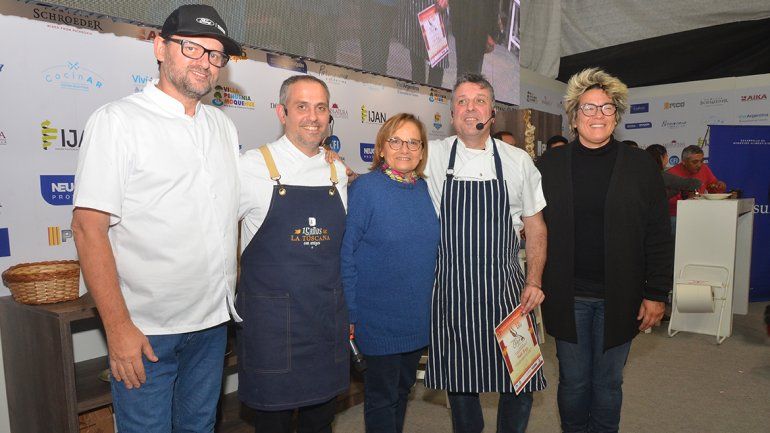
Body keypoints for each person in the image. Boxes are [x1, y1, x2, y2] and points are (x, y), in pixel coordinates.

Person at [71, 5, 242, 431]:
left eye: (216, 55)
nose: (205, 62)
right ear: (160, 47)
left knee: (199, 427)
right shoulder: (118, 121)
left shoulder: (222, 126)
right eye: (193, 48)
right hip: (147, 332)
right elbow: (87, 228)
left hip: (212, 324)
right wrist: (118, 328)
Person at [536, 68, 673, 433]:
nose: (597, 115)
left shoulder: (641, 166)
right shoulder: (548, 166)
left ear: (617, 115)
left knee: (609, 384)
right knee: (574, 382)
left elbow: (659, 234)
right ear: (574, 117)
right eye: (588, 108)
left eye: (606, 108)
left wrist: (656, 294)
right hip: (568, 295)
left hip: (622, 295)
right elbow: (528, 223)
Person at [423, 73, 548, 433]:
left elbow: (536, 226)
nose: (469, 108)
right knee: (461, 384)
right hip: (453, 289)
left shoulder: (517, 160)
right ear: (451, 113)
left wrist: (534, 279)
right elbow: (389, 163)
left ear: (492, 111)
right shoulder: (431, 155)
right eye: (461, 101)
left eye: (479, 100)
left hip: (506, 289)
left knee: (521, 378)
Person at [238, 75, 350, 433]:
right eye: (302, 107)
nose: (313, 117)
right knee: (272, 424)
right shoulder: (250, 166)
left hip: (324, 323)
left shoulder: (338, 171)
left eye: (320, 108)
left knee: (321, 423)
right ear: (282, 112)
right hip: (271, 330)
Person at [341, 113, 440, 433]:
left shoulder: (426, 191)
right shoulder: (365, 189)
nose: (405, 149)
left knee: (402, 390)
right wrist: (350, 313)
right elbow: (346, 254)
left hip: (415, 317)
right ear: (381, 148)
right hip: (377, 318)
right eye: (395, 141)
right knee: (382, 398)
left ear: (423, 151)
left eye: (413, 142)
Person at [667, 144, 727, 217]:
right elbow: (666, 201)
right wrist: (686, 197)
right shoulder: (671, 174)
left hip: (699, 212)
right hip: (676, 215)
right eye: (695, 162)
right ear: (684, 162)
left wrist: (719, 186)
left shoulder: (704, 168)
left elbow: (713, 187)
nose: (699, 165)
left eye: (701, 161)